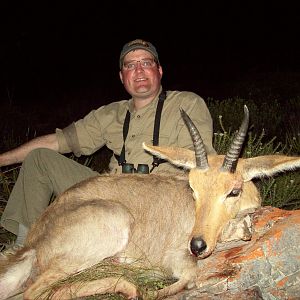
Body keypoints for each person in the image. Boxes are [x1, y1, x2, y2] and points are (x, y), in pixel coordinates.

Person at [0, 39, 216, 256]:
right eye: (130, 65)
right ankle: (24, 247)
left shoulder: (187, 104)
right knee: (40, 159)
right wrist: (2, 160)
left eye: (146, 63)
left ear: (159, 70)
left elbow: (203, 166)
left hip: (158, 203)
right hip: (108, 191)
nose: (139, 70)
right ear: (122, 77)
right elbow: (56, 141)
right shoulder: (110, 113)